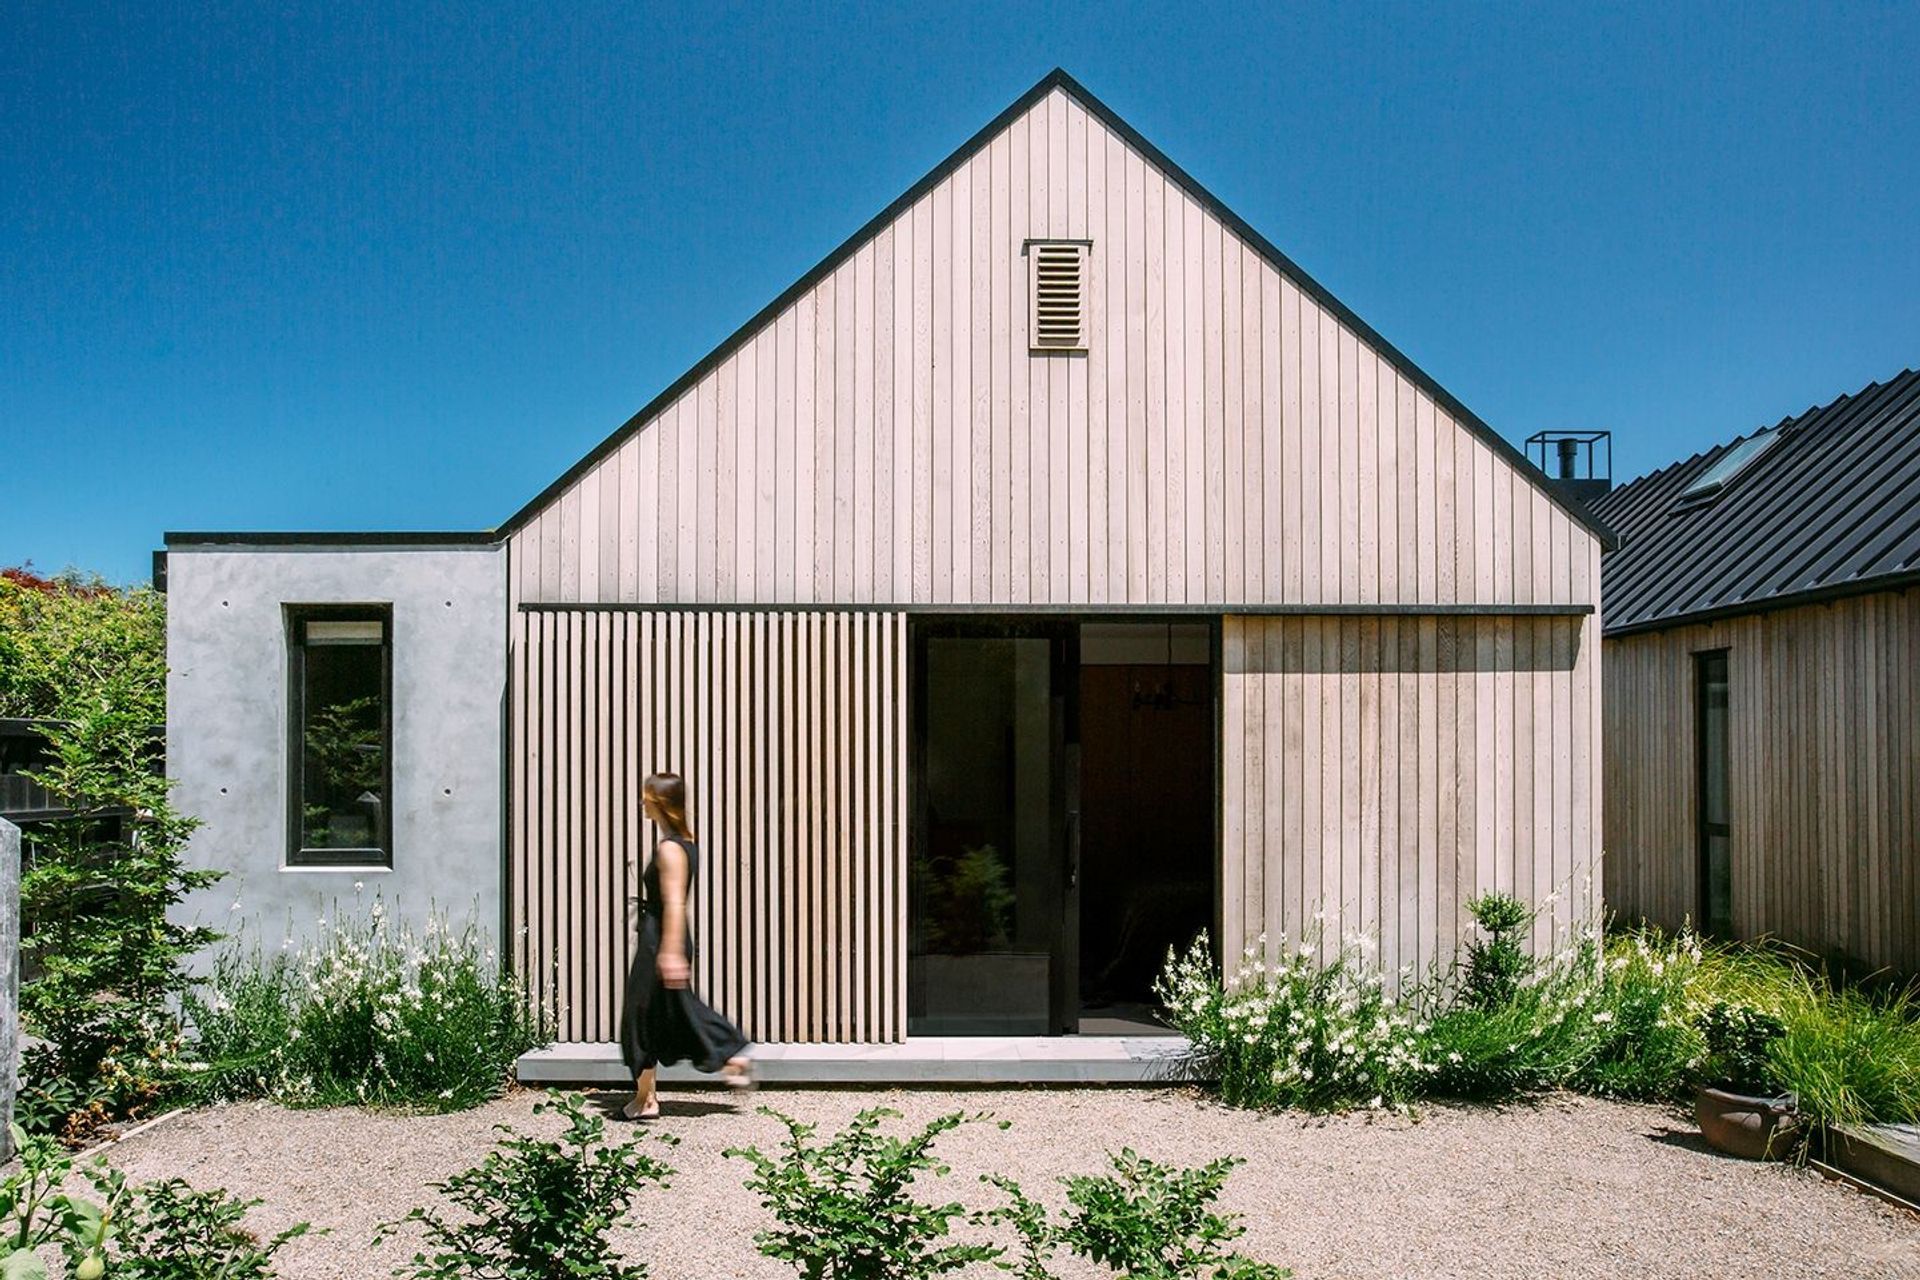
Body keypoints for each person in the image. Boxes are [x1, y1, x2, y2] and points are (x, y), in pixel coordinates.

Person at [620, 771, 752, 1119]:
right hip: (661, 936)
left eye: (646, 796)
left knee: (641, 1015)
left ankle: (648, 1099)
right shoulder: (681, 842)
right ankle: (726, 1054)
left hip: (661, 939)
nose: (641, 802)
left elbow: (677, 903)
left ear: (659, 802)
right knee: (668, 1009)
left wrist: (669, 951)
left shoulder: (670, 849)